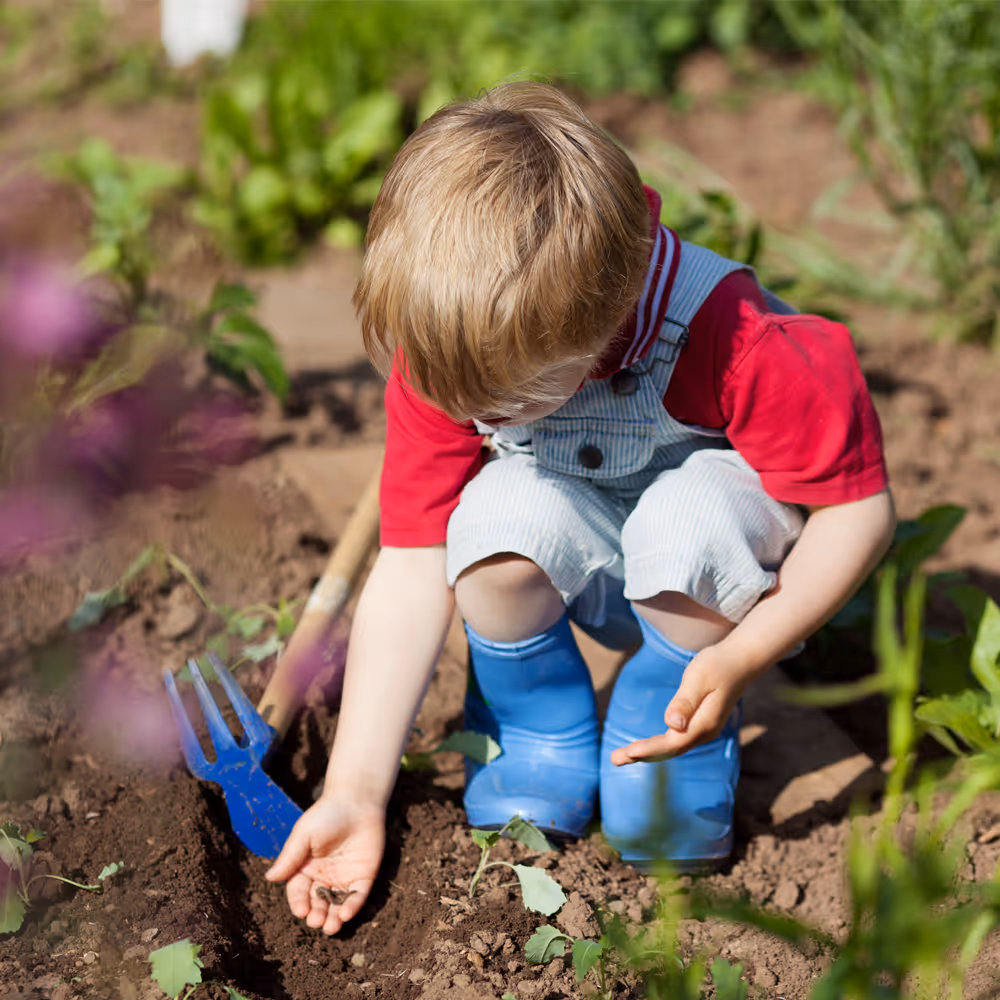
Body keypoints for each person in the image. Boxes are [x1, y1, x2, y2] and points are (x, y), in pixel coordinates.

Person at [264, 82, 895, 934]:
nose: (478, 419)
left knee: (688, 520)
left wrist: (746, 655)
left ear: (602, 331)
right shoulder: (458, 345)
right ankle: (538, 735)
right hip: (592, 541)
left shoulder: (735, 337)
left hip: (714, 578)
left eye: (507, 404)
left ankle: (671, 723)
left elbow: (858, 511)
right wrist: (353, 789)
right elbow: (412, 562)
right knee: (486, 525)